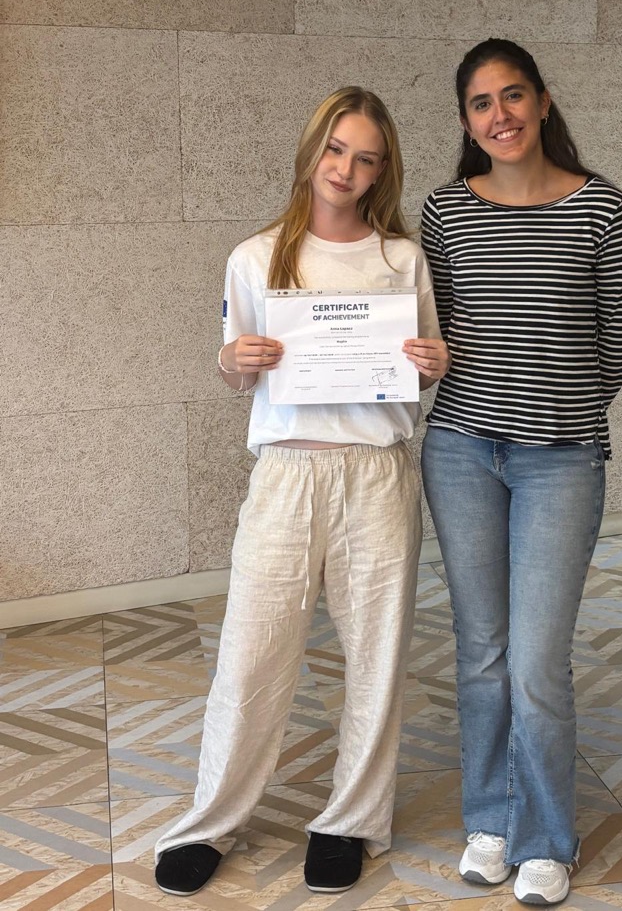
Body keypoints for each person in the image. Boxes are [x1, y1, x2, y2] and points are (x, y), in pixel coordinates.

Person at [154, 87, 450, 898]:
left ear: (382, 170)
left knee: (377, 656)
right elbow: (235, 372)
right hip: (286, 474)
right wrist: (233, 360)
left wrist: (435, 361)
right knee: (250, 654)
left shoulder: (401, 258)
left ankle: (350, 820)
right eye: (336, 149)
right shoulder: (256, 256)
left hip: (377, 474)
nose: (346, 169)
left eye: (366, 158)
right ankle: (210, 821)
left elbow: (423, 367)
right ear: (312, 149)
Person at [420, 39, 622, 906]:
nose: (500, 114)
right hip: (460, 450)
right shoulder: (445, 210)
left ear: (543, 102)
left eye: (513, 95)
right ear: (465, 119)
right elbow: (436, 329)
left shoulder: (601, 206)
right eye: (481, 102)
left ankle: (545, 836)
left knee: (537, 662)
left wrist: (558, 410)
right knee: (482, 651)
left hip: (560, 460)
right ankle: (490, 819)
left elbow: (618, 342)